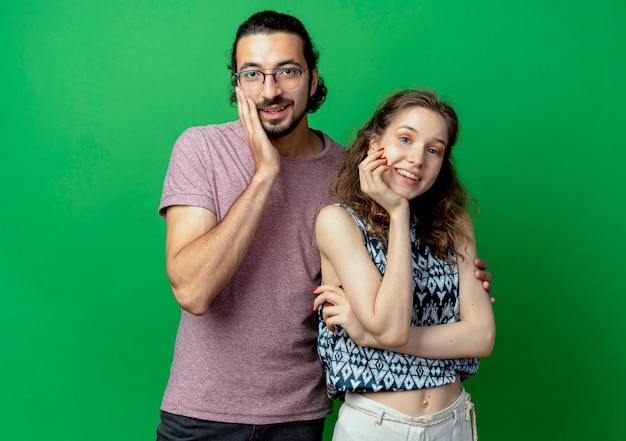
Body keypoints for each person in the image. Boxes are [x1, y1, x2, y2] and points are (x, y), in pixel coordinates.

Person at [156, 10, 493, 441]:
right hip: (204, 411)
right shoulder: (202, 149)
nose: (270, 90)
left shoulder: (349, 174)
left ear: (313, 79)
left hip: (300, 413)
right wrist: (264, 174)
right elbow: (193, 290)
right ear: (237, 84)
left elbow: (388, 266)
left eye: (288, 72)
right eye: (253, 74)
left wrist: (454, 275)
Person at [313, 90, 496, 440]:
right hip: (376, 426)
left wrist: (370, 336)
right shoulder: (339, 222)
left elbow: (481, 336)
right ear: (372, 144)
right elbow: (392, 326)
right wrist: (398, 213)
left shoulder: (453, 223)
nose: (416, 158)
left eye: (433, 149)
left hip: (453, 421)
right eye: (405, 139)